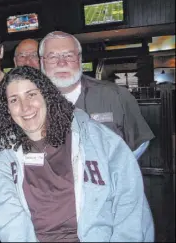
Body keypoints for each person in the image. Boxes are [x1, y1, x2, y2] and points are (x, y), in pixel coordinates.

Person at [0, 66, 154, 242]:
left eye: (31, 94)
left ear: (46, 95)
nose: (25, 107)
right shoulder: (4, 156)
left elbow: (129, 204)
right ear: (6, 109)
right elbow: (8, 218)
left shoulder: (96, 139)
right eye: (14, 100)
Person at [38, 31, 154, 159]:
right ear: (42, 62)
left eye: (69, 55)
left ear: (80, 59)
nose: (62, 63)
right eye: (53, 57)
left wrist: (117, 171)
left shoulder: (115, 96)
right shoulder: (29, 103)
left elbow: (139, 142)